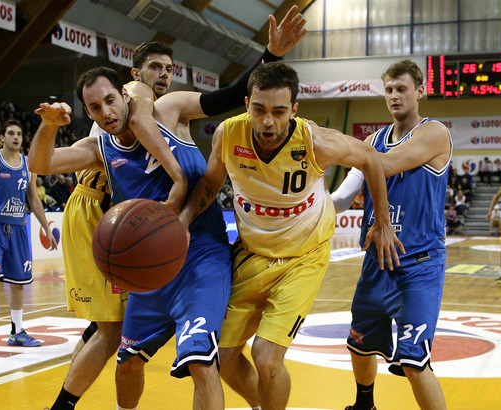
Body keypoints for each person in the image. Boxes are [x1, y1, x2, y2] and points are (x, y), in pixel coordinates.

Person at [37, 7, 308, 410]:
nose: (106, 111)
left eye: (110, 100)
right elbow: (40, 165)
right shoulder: (100, 148)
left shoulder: (172, 108)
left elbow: (230, 97)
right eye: (95, 108)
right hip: (152, 267)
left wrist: (270, 53)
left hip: (201, 255)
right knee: (126, 364)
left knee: (203, 365)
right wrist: (48, 126)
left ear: (124, 93)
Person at [178, 61, 402, 410]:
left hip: (302, 258)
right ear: (247, 104)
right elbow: (210, 182)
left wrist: (383, 223)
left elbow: (371, 158)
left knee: (266, 358)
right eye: (259, 110)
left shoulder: (316, 142)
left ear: (294, 110)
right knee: (221, 355)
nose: (268, 121)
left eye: (279, 112)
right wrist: (184, 218)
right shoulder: (227, 134)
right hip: (252, 252)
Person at [330, 59, 451, 410]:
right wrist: (299, 200)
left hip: (419, 264)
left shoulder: (434, 133)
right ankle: (364, 405)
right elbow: (341, 199)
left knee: (414, 362)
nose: (394, 96)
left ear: (420, 92)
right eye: (389, 90)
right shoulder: (371, 141)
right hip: (376, 262)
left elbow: (385, 164)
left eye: (401, 89)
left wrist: (324, 143)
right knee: (360, 343)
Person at [0, 120, 58, 359]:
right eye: (10, 133)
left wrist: (46, 228)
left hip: (18, 229)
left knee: (18, 284)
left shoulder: (29, 164)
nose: (16, 137)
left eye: (19, 133)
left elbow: (34, 200)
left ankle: (17, 331)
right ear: (2, 137)